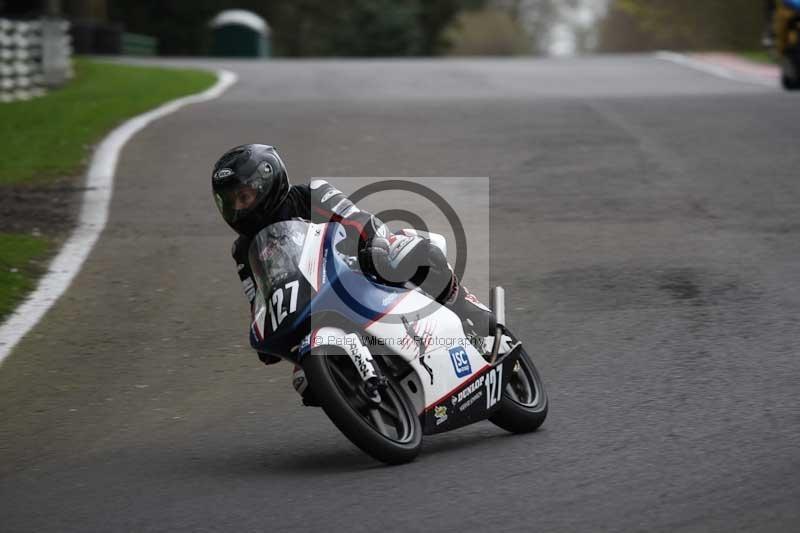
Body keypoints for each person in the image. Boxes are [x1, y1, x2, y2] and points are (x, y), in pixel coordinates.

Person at [211, 144, 494, 401]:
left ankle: (465, 309)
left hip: (359, 265)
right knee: (304, 380)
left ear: (266, 183)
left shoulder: (310, 194)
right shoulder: (243, 251)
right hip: (311, 303)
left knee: (407, 253)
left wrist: (369, 243)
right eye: (230, 202)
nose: (237, 208)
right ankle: (376, 404)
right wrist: (265, 335)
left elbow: (356, 218)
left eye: (243, 197)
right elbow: (258, 298)